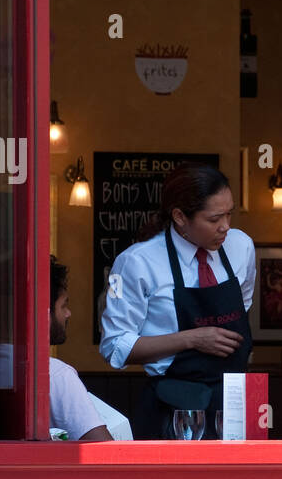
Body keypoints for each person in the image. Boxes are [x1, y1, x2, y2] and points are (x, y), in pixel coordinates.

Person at [99, 165, 255, 439]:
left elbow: (243, 306)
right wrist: (192, 339)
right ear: (180, 217)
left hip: (235, 405)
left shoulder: (241, 247)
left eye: (230, 214)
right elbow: (115, 346)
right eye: (215, 218)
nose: (226, 227)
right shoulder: (137, 262)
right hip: (173, 410)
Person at [49, 256, 112, 441]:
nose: (68, 313)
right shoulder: (56, 374)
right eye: (64, 305)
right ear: (43, 313)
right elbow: (104, 450)